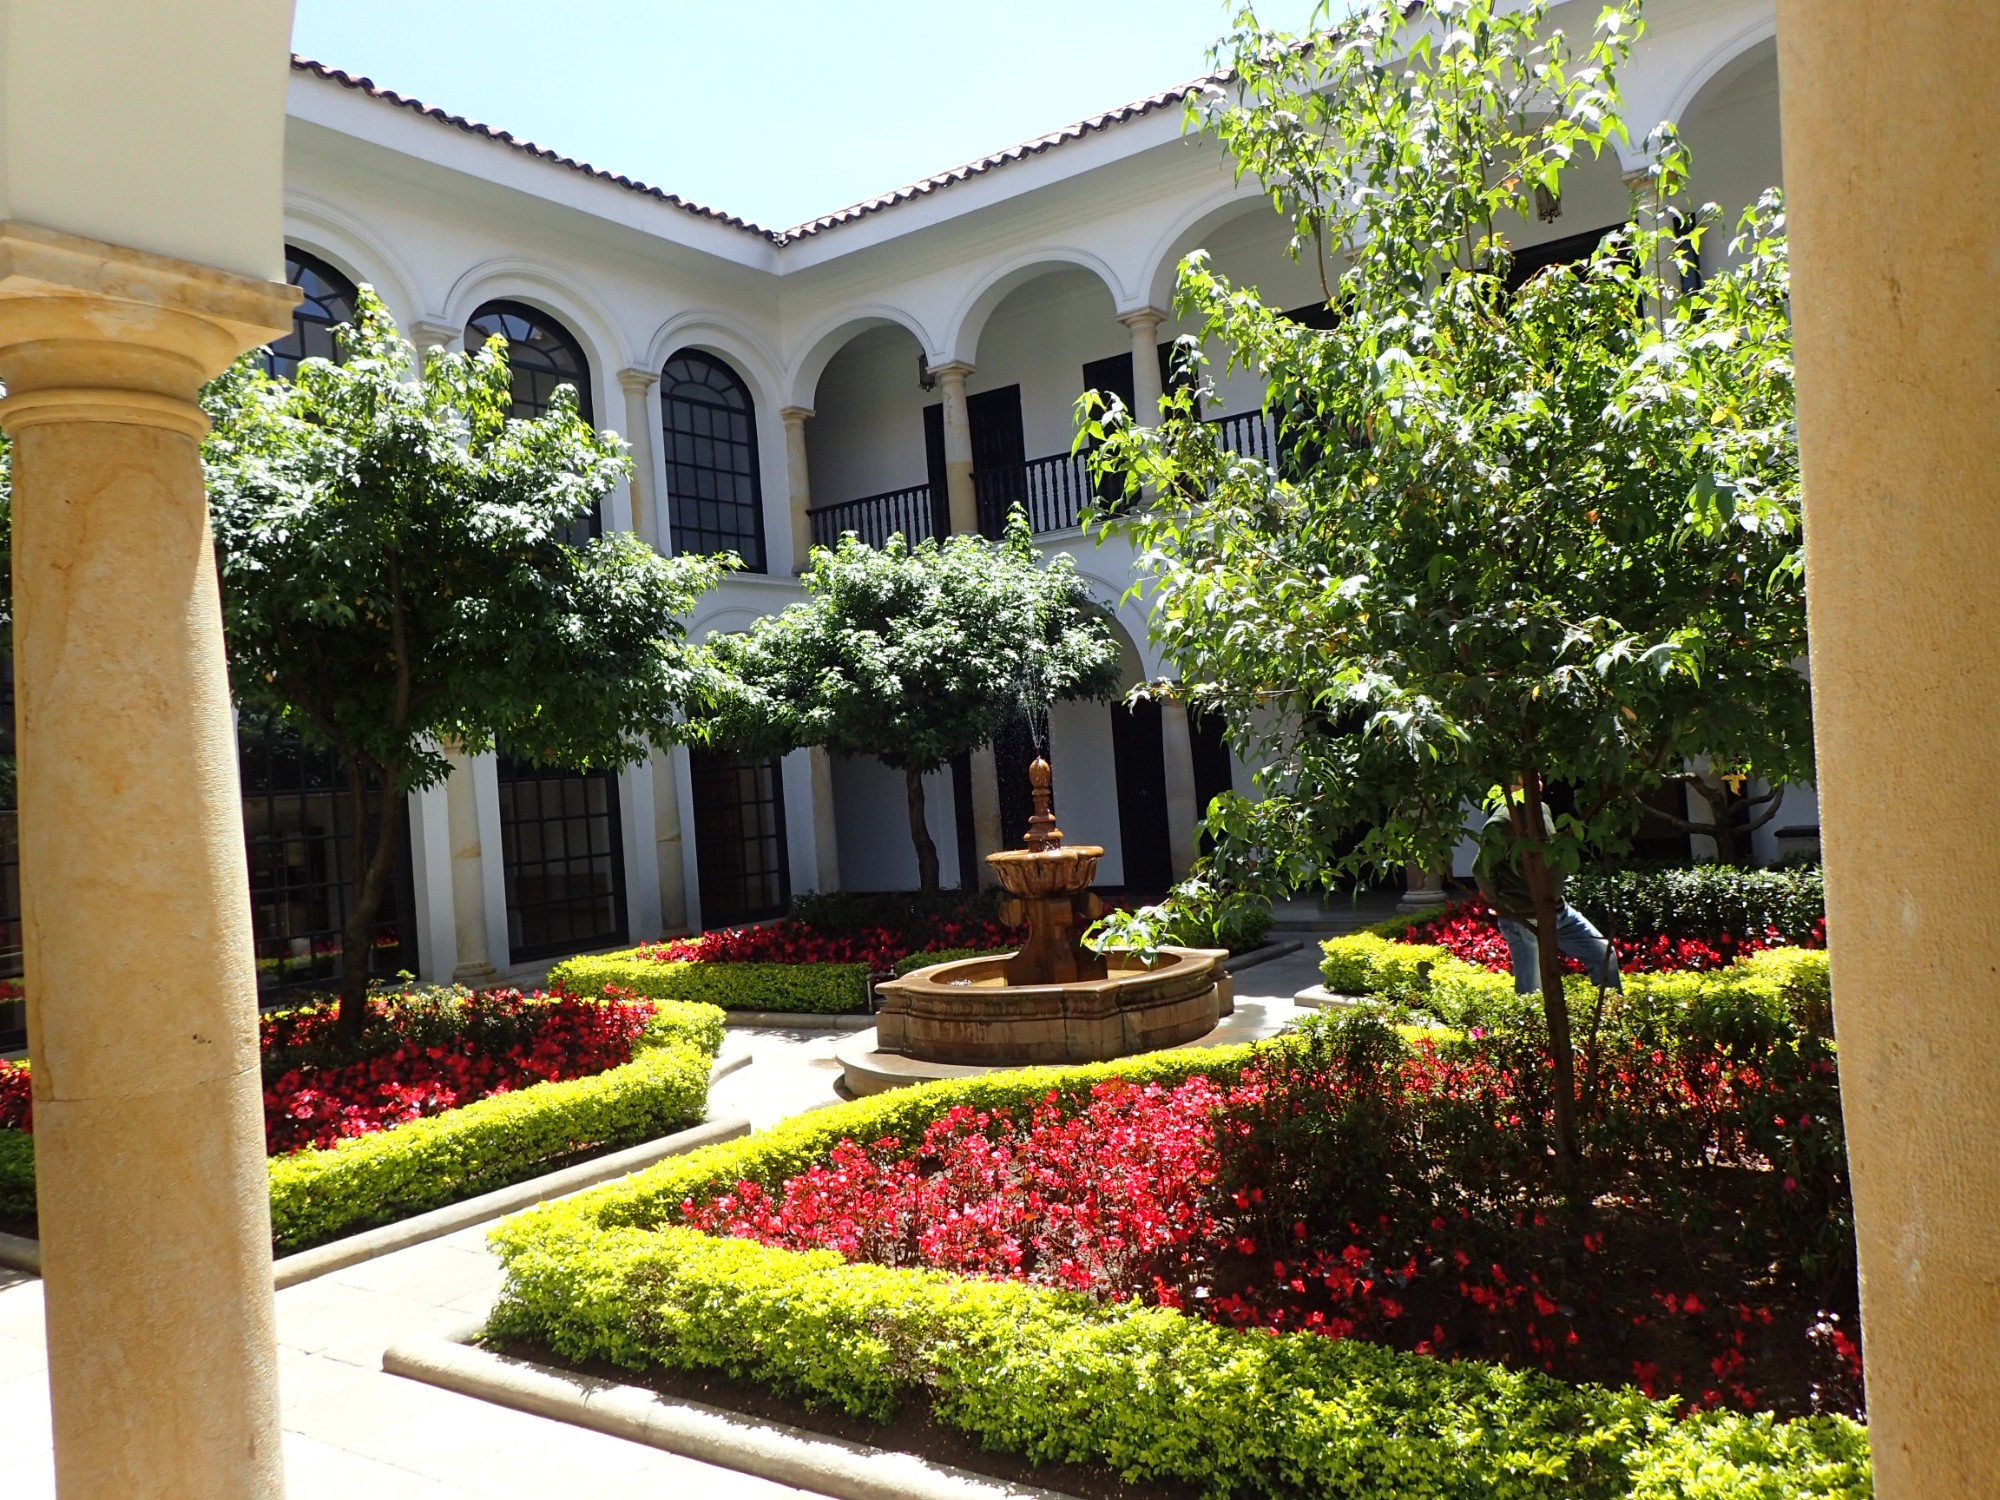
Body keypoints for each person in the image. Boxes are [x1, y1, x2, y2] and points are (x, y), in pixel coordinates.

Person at [1472, 797, 1621, 995]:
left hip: (1557, 910)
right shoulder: (1502, 821)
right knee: (1531, 992)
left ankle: (1611, 1016)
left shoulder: (1541, 808)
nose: (1538, 781)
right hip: (1523, 918)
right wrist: (1497, 901)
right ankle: (1533, 1026)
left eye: (1540, 776)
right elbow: (1481, 869)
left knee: (1603, 954)